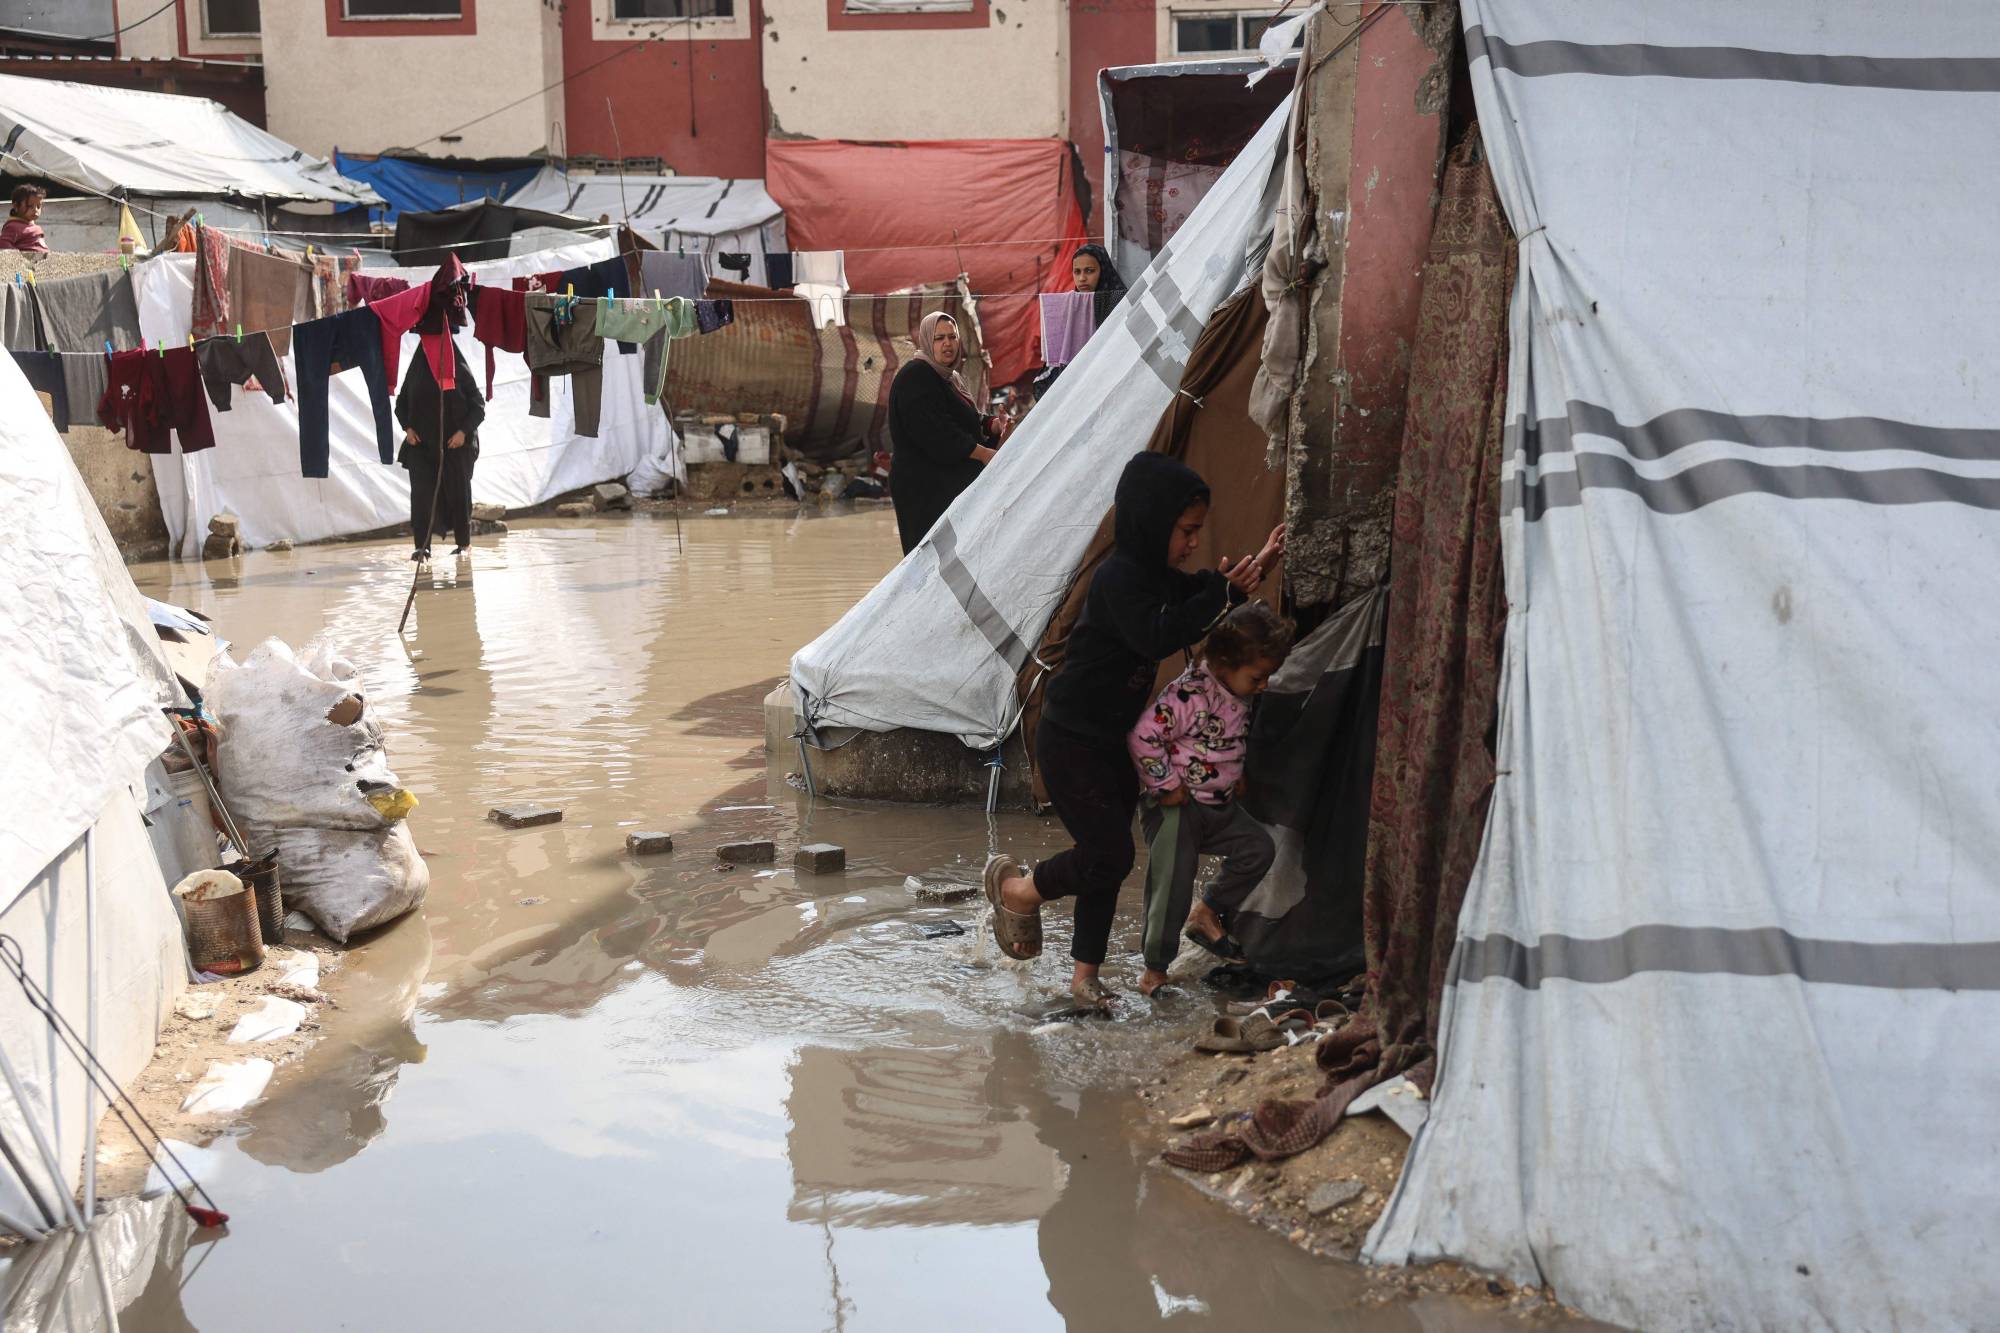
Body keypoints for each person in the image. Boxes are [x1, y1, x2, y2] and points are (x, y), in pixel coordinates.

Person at [982, 451, 1284, 1007]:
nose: (1193, 542)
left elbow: (1193, 594)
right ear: (1151, 521)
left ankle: (1084, 979)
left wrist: (1237, 583)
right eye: (1186, 531)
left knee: (1104, 856)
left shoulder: (1153, 575)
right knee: (1111, 854)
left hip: (1114, 742)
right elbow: (1156, 635)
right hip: (1071, 740)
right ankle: (1019, 890)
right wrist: (1221, 595)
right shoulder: (1119, 578)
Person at [1127, 600, 1295, 996]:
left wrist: (1234, 774)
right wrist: (1166, 785)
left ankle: (1207, 912)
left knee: (1258, 849)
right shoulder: (1189, 695)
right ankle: (1154, 970)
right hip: (1177, 807)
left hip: (1218, 805)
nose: (1264, 685)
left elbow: (1222, 739)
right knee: (1171, 886)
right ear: (1223, 663)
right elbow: (1143, 737)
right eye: (1257, 677)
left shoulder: (1237, 692)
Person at [887, 311, 1003, 554]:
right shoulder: (915, 377)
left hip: (941, 483)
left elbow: (960, 417)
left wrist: (990, 424)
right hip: (923, 488)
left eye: (952, 337)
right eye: (939, 338)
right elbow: (937, 433)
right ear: (928, 341)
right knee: (929, 561)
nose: (948, 344)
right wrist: (981, 453)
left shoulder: (949, 378)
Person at [396, 342, 484, 562]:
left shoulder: (458, 369)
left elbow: (478, 406)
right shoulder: (417, 370)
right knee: (421, 498)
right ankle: (422, 548)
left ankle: (464, 544)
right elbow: (401, 404)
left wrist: (463, 432)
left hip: (455, 445)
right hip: (421, 446)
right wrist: (408, 428)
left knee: (458, 494)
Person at [1033, 244, 1129, 399]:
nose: (1082, 278)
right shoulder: (1070, 310)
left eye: (1089, 271)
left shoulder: (1120, 306)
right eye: (1077, 272)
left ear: (1103, 270)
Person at [1, 185, 49, 254]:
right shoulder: (13, 226)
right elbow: (3, 244)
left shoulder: (35, 226)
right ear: (16, 206)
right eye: (30, 206)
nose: (35, 210)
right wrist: (19, 258)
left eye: (38, 206)